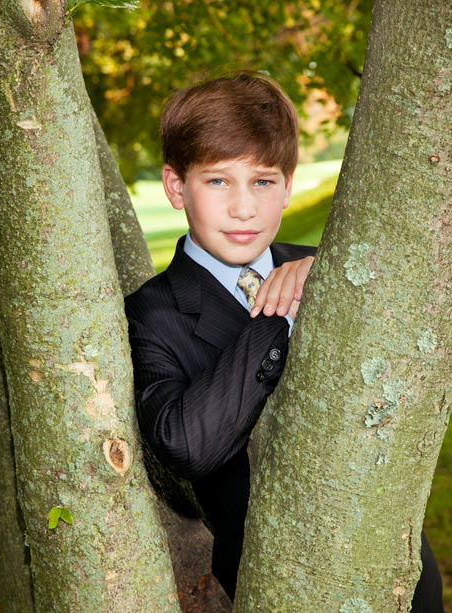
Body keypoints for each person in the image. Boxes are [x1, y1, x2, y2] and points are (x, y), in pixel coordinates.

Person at [124, 72, 442, 609]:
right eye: (219, 181)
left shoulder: (331, 270)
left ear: (288, 187)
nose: (244, 208)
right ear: (177, 187)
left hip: (397, 567)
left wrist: (322, 276)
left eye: (264, 182)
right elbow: (187, 443)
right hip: (277, 579)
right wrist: (277, 315)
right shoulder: (152, 312)